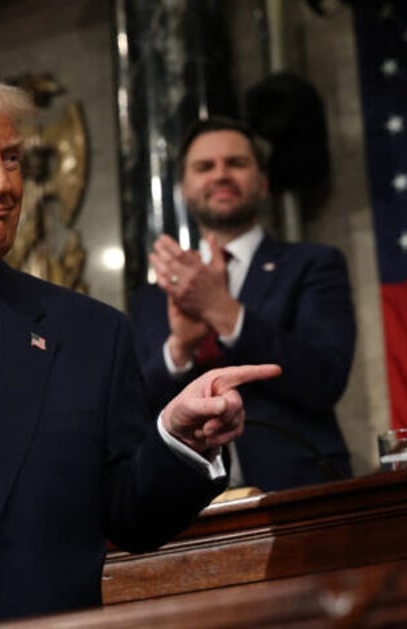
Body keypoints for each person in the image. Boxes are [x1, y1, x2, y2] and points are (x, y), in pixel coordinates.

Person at [0, 63, 280, 627]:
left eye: (12, 159)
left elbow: (130, 517)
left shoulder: (89, 334)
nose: (4, 184)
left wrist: (178, 440)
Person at [129, 116, 356, 492]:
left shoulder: (313, 264)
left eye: (235, 163)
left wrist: (225, 312)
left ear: (263, 183)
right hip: (185, 508)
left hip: (300, 492)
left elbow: (324, 381)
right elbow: (134, 413)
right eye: (205, 167)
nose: (221, 174)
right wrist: (179, 348)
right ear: (184, 189)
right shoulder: (153, 297)